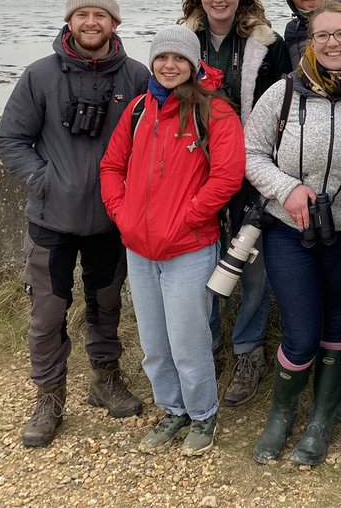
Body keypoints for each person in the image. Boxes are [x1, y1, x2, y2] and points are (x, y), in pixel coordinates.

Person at [0, 0, 148, 448]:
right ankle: (49, 396)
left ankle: (105, 378)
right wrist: (46, 182)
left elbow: (152, 146)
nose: (91, 22)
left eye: (100, 15)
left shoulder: (138, 78)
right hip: (51, 220)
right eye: (82, 14)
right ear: (70, 22)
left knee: (107, 305)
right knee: (47, 313)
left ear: (114, 24)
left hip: (110, 220)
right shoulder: (39, 76)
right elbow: (11, 141)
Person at [244, 0, 341, 465]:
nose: (332, 43)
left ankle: (321, 421)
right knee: (302, 332)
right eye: (322, 35)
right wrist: (287, 189)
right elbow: (250, 153)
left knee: (337, 323)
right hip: (290, 229)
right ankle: (281, 415)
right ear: (310, 43)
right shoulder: (283, 92)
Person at [99, 26, 246, 456]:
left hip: (189, 249)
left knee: (188, 342)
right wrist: (122, 214)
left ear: (194, 63)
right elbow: (111, 166)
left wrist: (188, 218)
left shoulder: (215, 113)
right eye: (162, 57)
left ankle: (202, 415)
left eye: (179, 58)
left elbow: (227, 176)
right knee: (153, 345)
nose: (169, 65)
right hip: (140, 249)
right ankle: (172, 409)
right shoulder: (140, 110)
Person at [179, 0, 292, 407]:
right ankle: (206, 343)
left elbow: (281, 111)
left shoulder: (269, 43)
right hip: (194, 168)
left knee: (253, 264)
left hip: (250, 168)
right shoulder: (182, 40)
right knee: (200, 258)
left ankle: (248, 349)